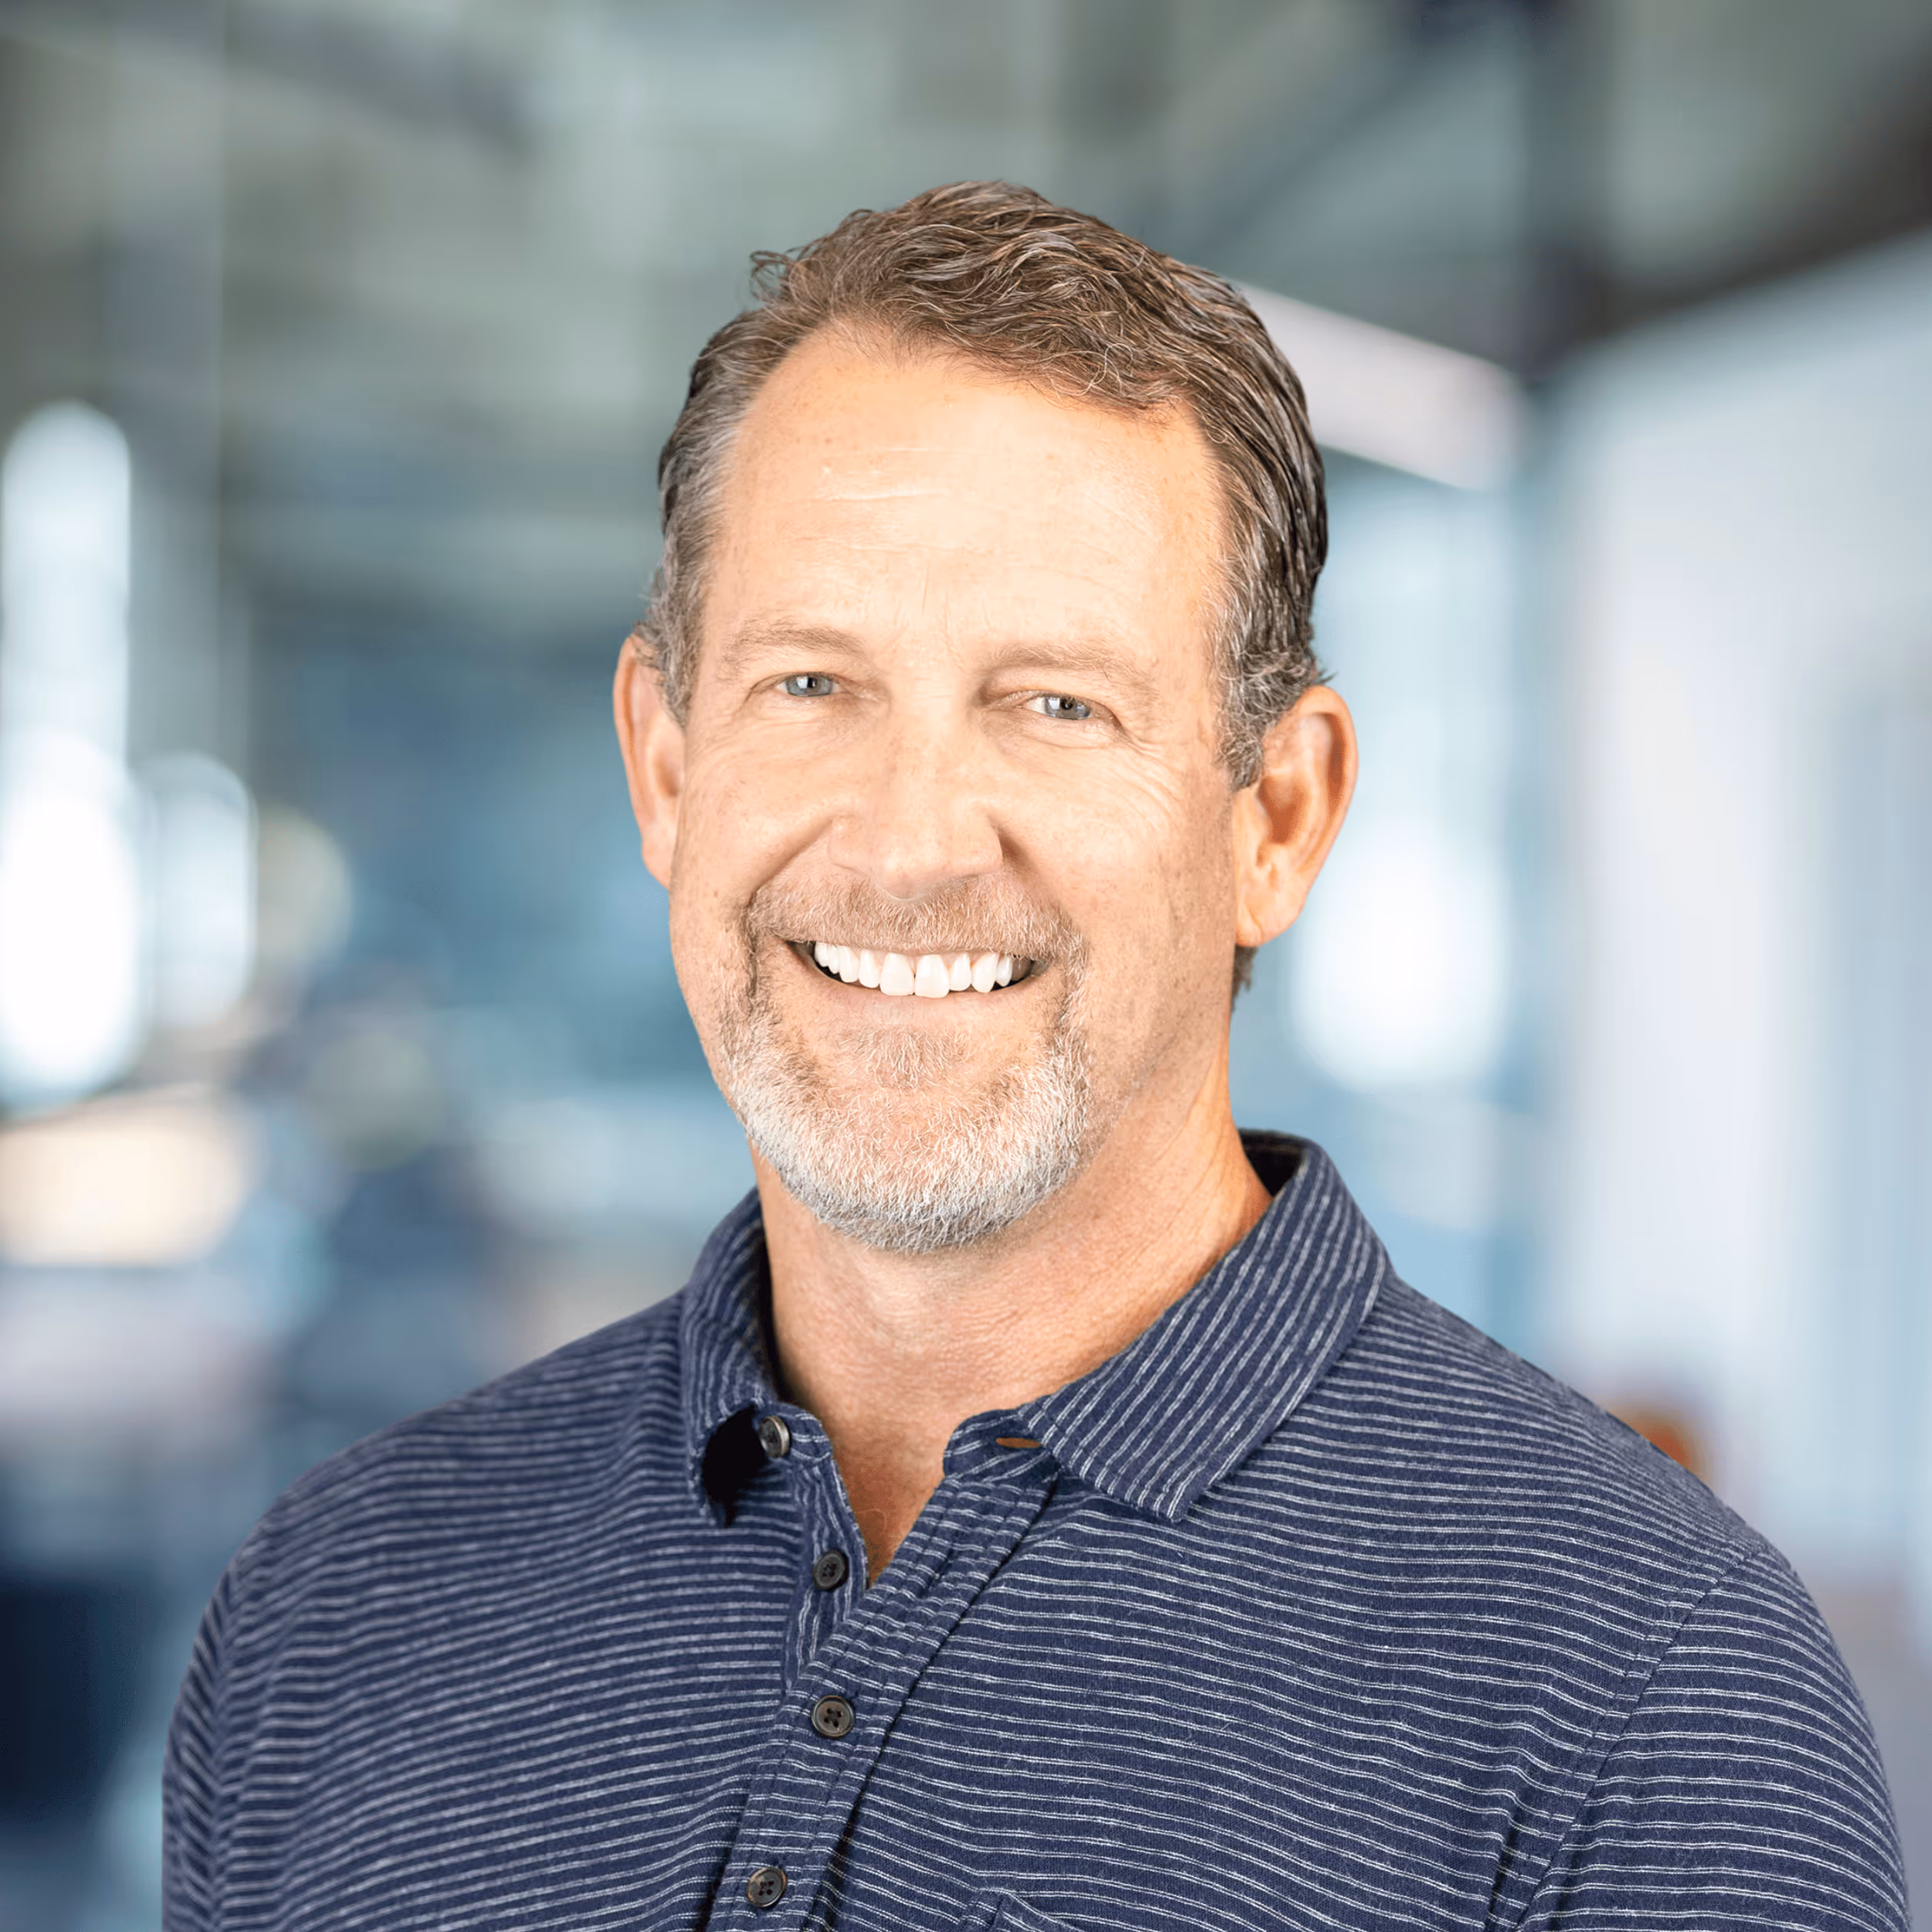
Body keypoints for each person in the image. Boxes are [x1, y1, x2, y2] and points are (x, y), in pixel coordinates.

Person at [164, 183, 1907, 1932]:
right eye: (811, 684)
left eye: (1053, 701)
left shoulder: (1651, 1696)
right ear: (666, 769)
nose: (911, 842)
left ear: (1276, 816)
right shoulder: (330, 1607)